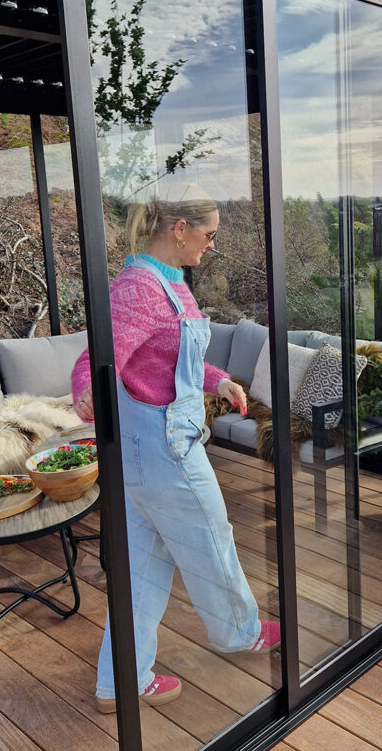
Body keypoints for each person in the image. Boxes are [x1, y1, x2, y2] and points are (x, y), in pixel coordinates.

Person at [71, 183, 279, 714]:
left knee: (144, 569)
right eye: (208, 234)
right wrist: (87, 393)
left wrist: (219, 381)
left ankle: (118, 683)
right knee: (212, 537)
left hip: (148, 452)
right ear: (179, 229)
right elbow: (96, 358)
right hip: (165, 451)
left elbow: (171, 359)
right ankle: (241, 632)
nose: (212, 245)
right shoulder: (140, 288)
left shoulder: (170, 281)